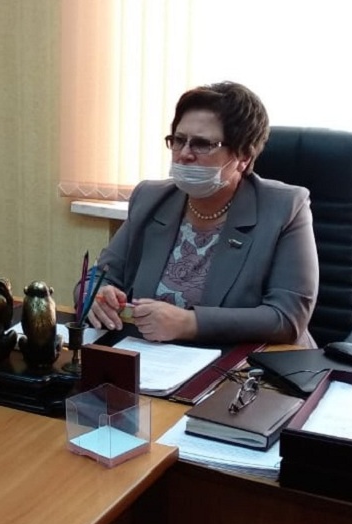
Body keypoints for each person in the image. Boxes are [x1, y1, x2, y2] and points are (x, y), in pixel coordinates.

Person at [83, 81, 318, 347]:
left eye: (202, 144)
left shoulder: (285, 207)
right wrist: (97, 296)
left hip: (251, 362)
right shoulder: (150, 198)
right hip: (157, 358)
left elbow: (287, 318)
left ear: (243, 156)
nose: (184, 154)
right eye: (178, 140)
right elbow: (96, 278)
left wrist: (189, 323)